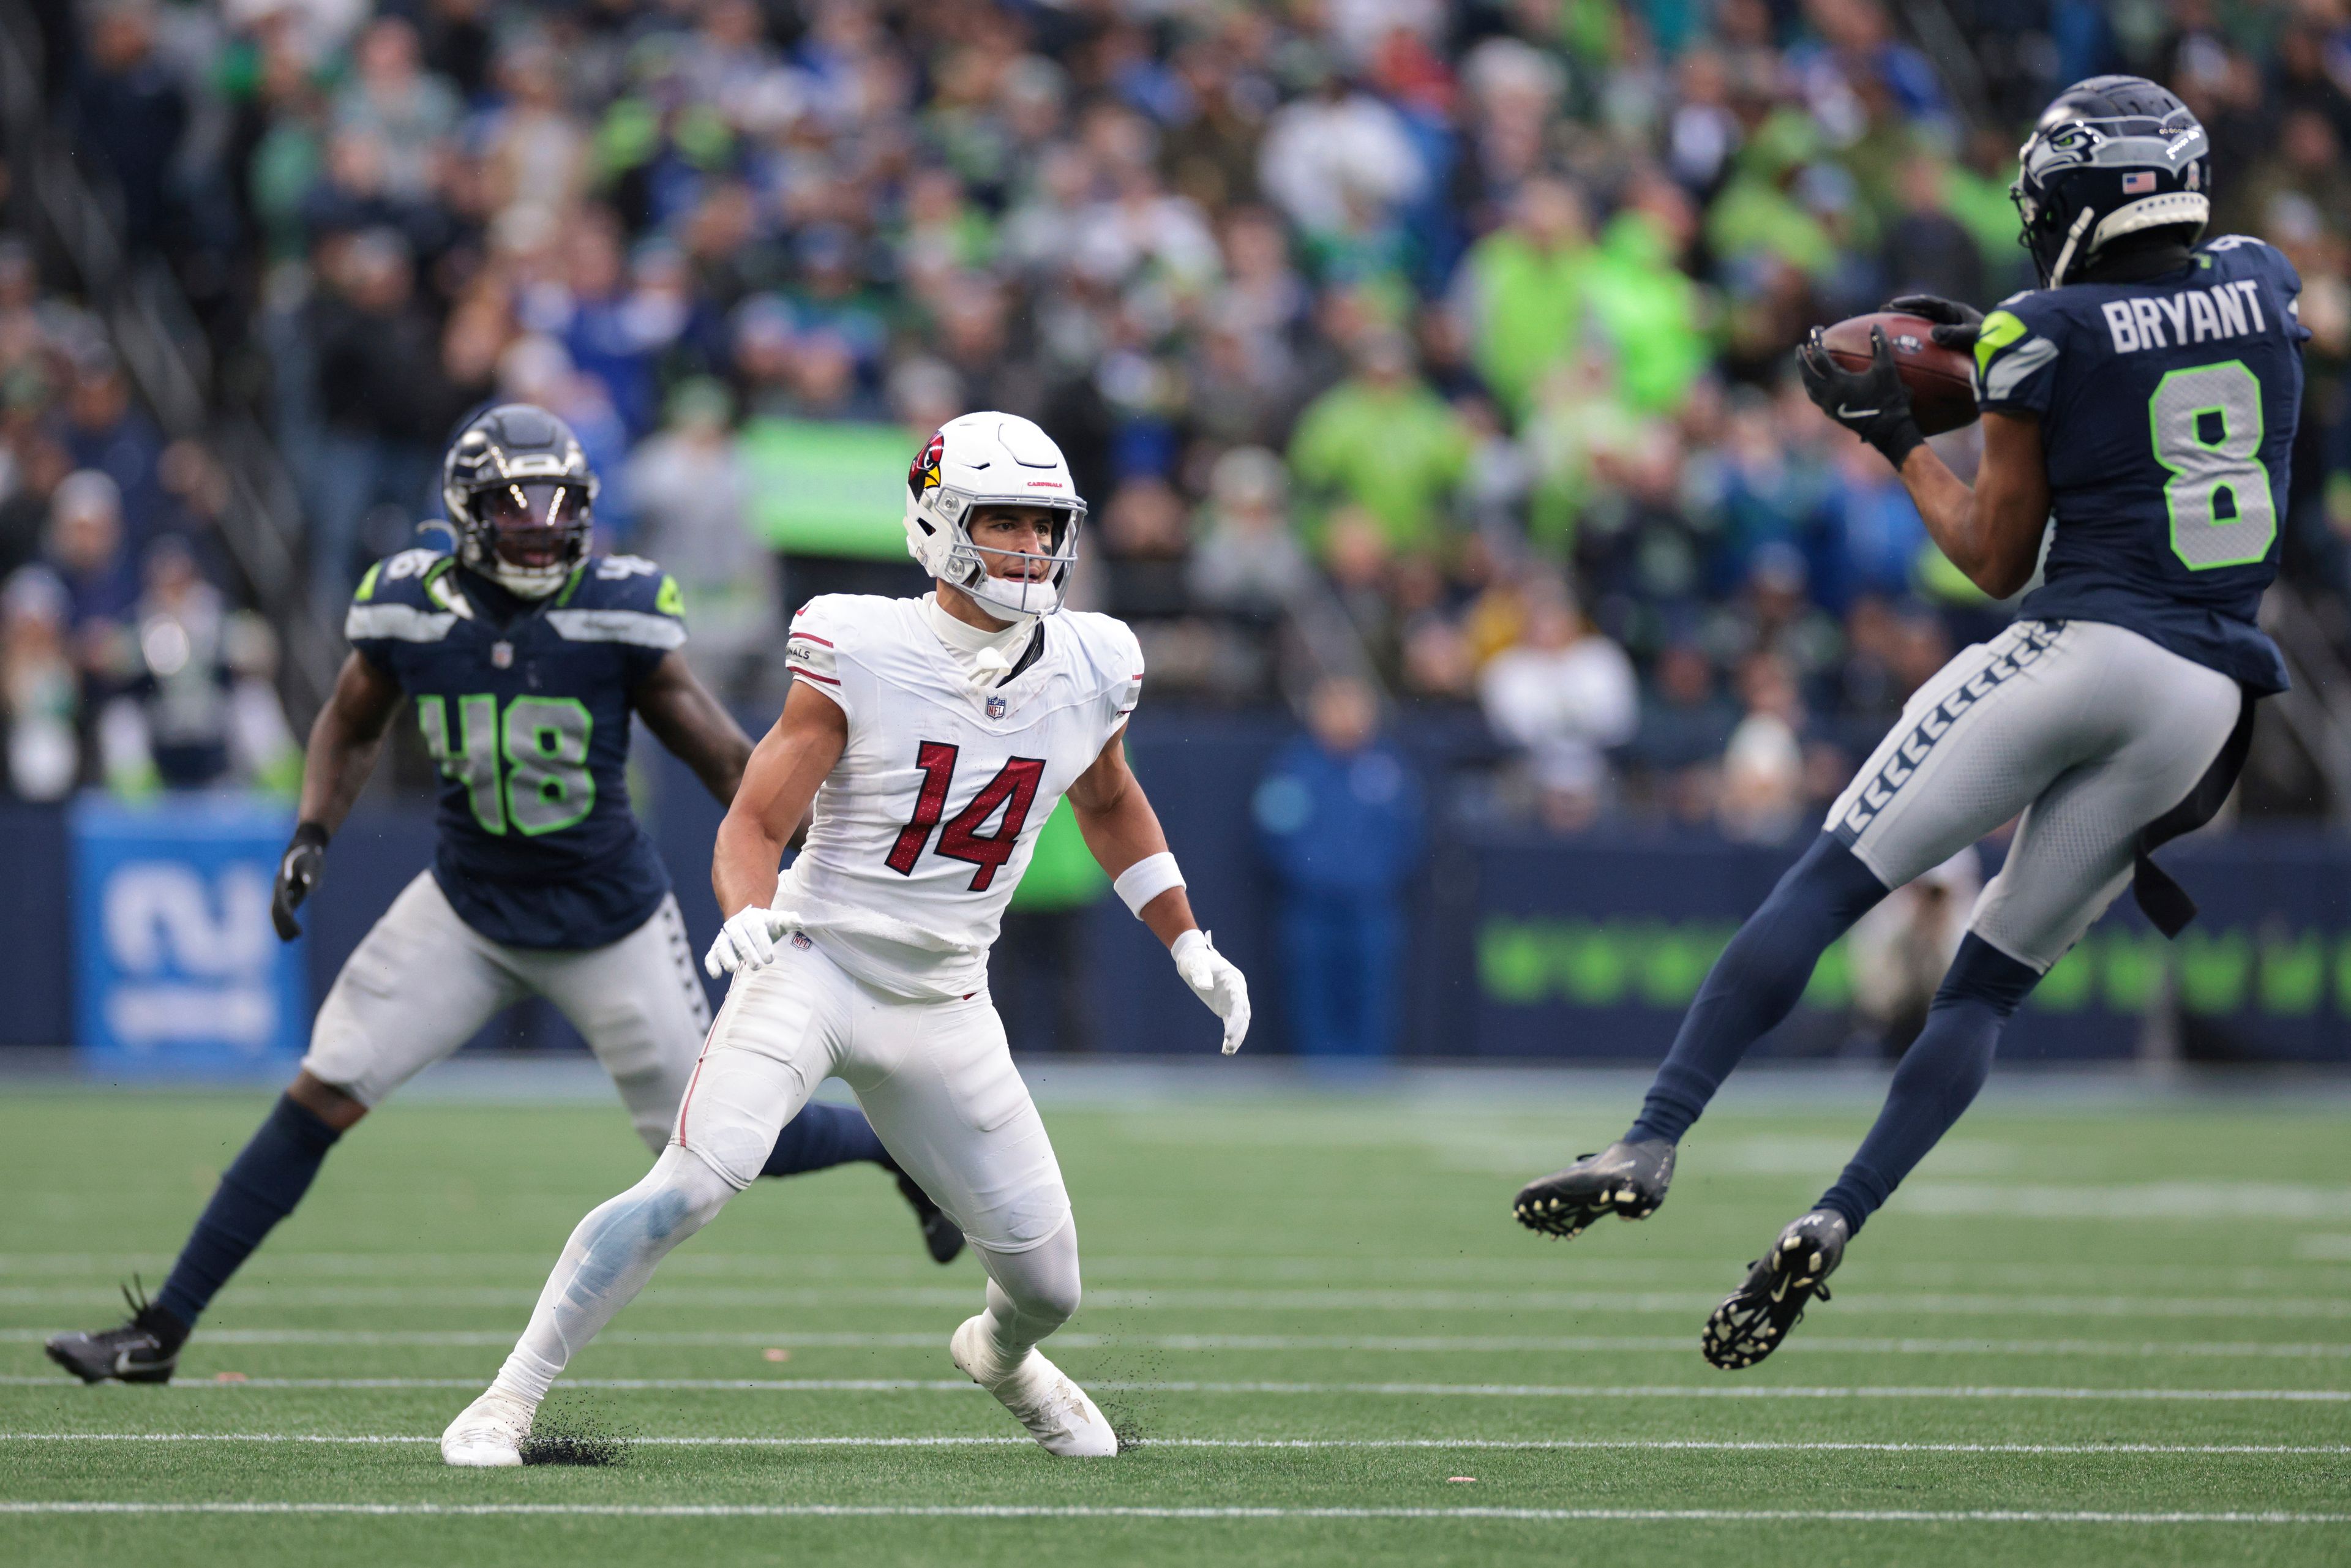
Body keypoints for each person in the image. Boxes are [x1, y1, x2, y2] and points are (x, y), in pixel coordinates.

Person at [1511, 78, 2302, 1367]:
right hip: (2206, 696)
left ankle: (1653, 1132)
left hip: (2085, 645)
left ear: (2080, 202)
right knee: (1984, 988)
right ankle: (1837, 1210)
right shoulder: (2267, 284)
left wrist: (1899, 438)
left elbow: (1995, 557)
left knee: (1828, 884)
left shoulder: (2040, 330)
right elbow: (2164, 328)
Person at [44, 405, 956, 1387]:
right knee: (323, 1088)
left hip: (610, 918)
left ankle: (888, 1151)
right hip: (468, 907)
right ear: (466, 514)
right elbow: (348, 724)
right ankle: (163, 1330)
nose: (540, 527)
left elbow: (723, 756)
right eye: (515, 508)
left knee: (718, 1143)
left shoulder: (619, 606)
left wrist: (829, 851)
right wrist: (312, 831)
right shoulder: (407, 604)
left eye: (559, 507)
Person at [438, 412, 1251, 1466]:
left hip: (949, 999)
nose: (1030, 548)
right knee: (689, 1183)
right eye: (1001, 521)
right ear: (936, 524)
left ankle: (1001, 1359)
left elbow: (1108, 799)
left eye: (1045, 525)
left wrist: (1186, 939)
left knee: (1050, 1286)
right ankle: (506, 1398)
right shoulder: (861, 644)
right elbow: (757, 821)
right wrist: (745, 911)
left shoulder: (1096, 659)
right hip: (816, 967)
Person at [1254, 676, 1423, 1057]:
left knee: (1372, 997)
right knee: (1312, 999)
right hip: (1309, 907)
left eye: (1354, 706)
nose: (1345, 716)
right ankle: (1317, 1076)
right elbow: (1273, 834)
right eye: (1336, 705)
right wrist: (1311, 877)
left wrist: (1373, 878)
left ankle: (1370, 1074)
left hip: (1372, 907)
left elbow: (1408, 836)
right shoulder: (1294, 768)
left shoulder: (1388, 770)